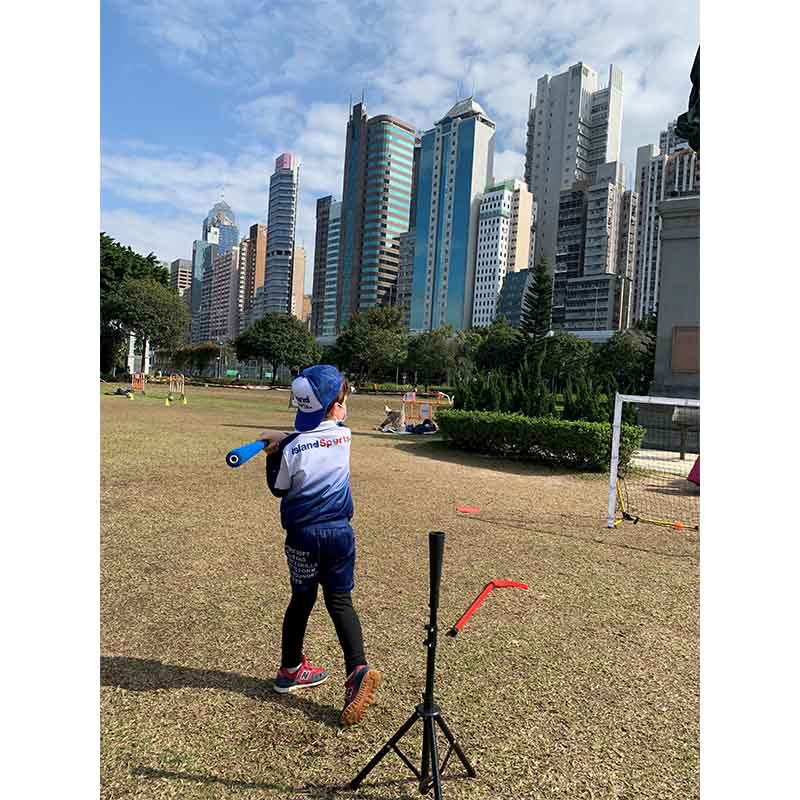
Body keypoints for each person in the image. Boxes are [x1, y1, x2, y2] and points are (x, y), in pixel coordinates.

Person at [261, 364, 381, 726]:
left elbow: (280, 488)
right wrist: (286, 441)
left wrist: (274, 453)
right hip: (340, 534)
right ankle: (356, 669)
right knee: (340, 600)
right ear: (334, 407)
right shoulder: (345, 437)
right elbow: (324, 433)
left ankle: (290, 669)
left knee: (302, 599)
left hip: (302, 537)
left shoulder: (292, 448)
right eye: (342, 401)